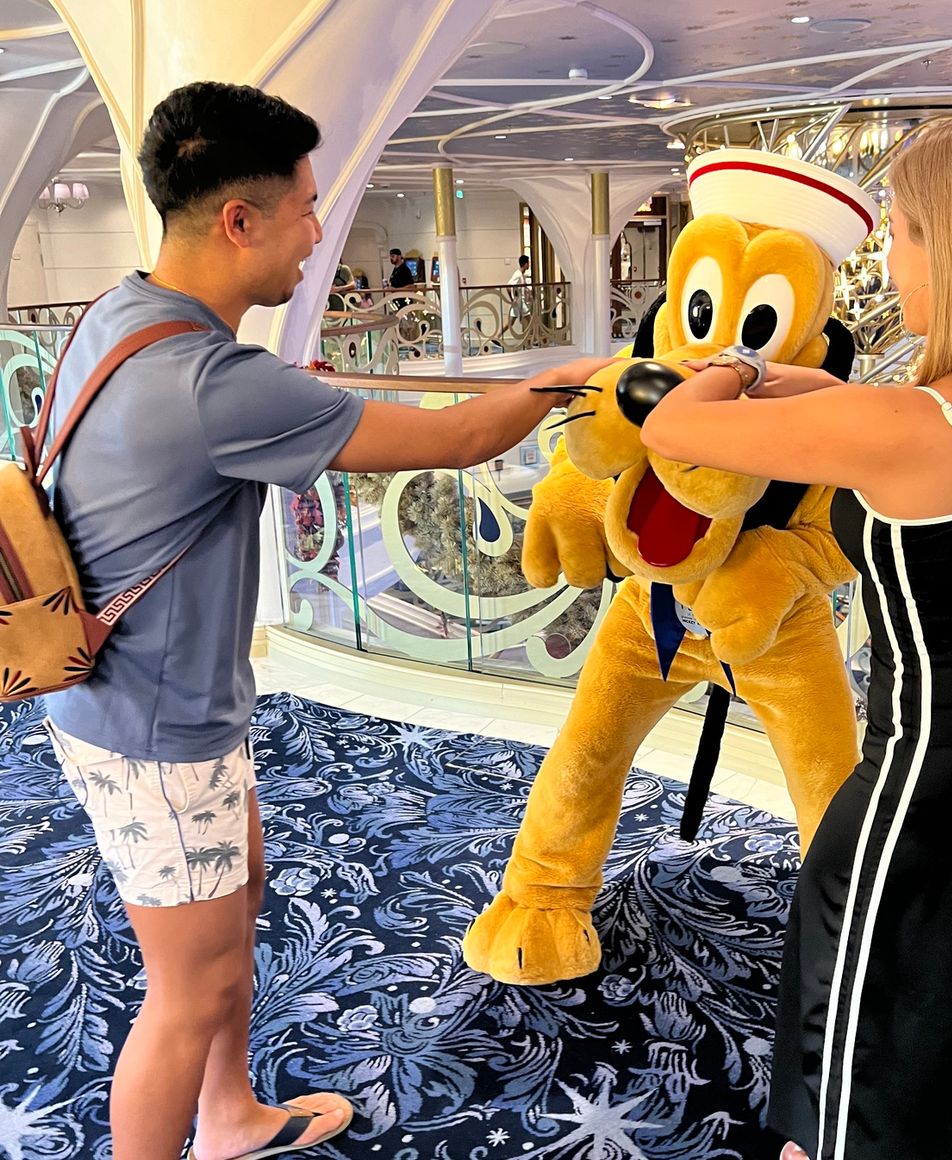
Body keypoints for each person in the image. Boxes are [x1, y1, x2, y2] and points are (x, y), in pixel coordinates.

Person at [40, 80, 612, 1160]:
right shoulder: (211, 382)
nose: (318, 232)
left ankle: (229, 1116)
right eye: (306, 209)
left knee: (237, 902)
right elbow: (455, 440)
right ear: (237, 221)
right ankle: (195, 1121)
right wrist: (570, 380)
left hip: (126, 700)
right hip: (155, 727)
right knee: (186, 989)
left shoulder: (120, 314)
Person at [638, 107, 952, 1160]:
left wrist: (733, 359)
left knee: (854, 970)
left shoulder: (907, 426)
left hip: (924, 756)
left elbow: (672, 425)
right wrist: (785, 378)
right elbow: (858, 406)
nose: (890, 256)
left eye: (904, 231)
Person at [500, 254, 531, 344]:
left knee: (527, 320)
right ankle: (531, 339)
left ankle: (531, 338)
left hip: (521, 302)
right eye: (528, 263)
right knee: (525, 320)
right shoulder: (518, 274)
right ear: (525, 264)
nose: (529, 265)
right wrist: (512, 299)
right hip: (518, 302)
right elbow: (508, 287)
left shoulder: (521, 275)